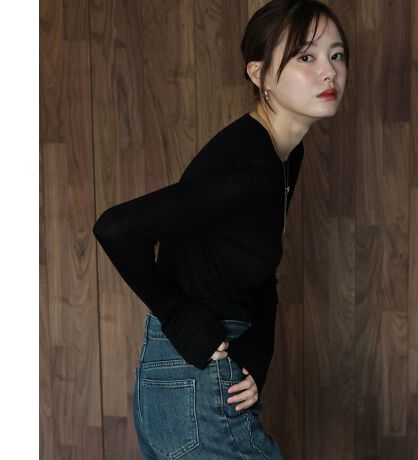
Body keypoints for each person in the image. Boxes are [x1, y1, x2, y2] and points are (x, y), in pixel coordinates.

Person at [92, 0, 349, 458]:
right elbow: (117, 228)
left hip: (191, 383)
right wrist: (182, 319)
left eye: (337, 54)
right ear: (259, 74)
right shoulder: (246, 165)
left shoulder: (284, 154)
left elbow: (260, 269)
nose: (328, 71)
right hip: (196, 383)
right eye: (306, 56)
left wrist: (257, 353)